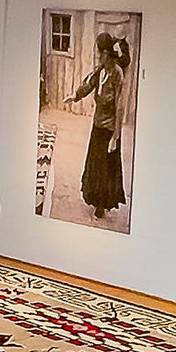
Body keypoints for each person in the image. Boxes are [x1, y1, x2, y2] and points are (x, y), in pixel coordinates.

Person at [73, 32, 131, 220]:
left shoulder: (117, 75)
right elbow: (88, 84)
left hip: (109, 130)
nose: (98, 55)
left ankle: (102, 204)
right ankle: (95, 199)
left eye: (100, 52)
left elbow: (119, 107)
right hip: (97, 126)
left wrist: (115, 136)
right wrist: (76, 96)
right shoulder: (101, 71)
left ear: (106, 53)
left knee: (106, 169)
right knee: (95, 166)